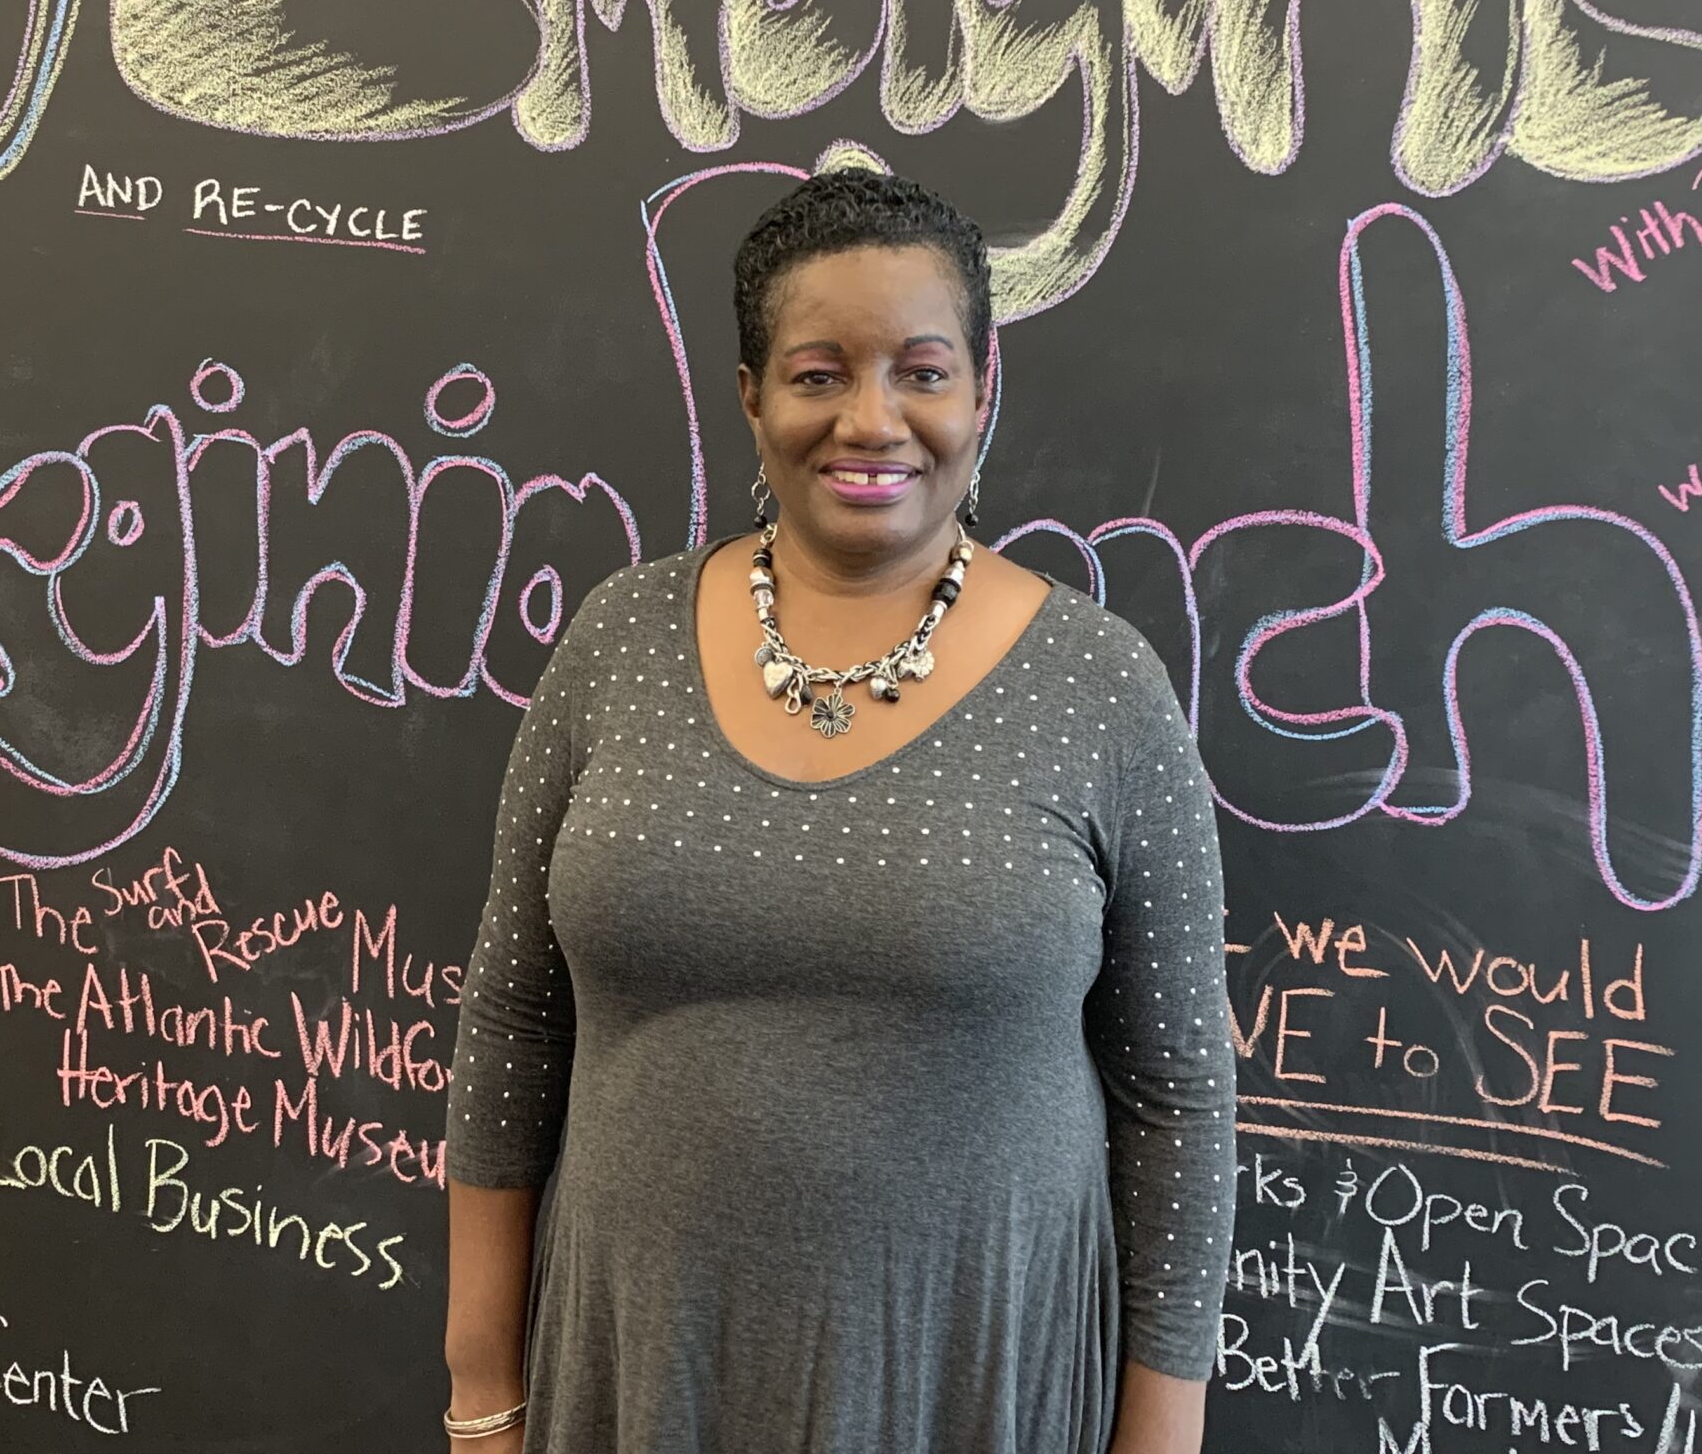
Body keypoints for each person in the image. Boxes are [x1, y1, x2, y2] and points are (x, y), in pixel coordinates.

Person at [443, 169, 1234, 1453]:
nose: (872, 420)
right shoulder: (617, 641)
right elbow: (512, 1021)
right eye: (819, 373)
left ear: (983, 389)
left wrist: (1160, 1437)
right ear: (750, 395)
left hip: (970, 1379)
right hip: (635, 1368)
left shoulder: (1102, 685)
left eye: (921, 371)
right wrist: (481, 1388)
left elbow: (1177, 1095)